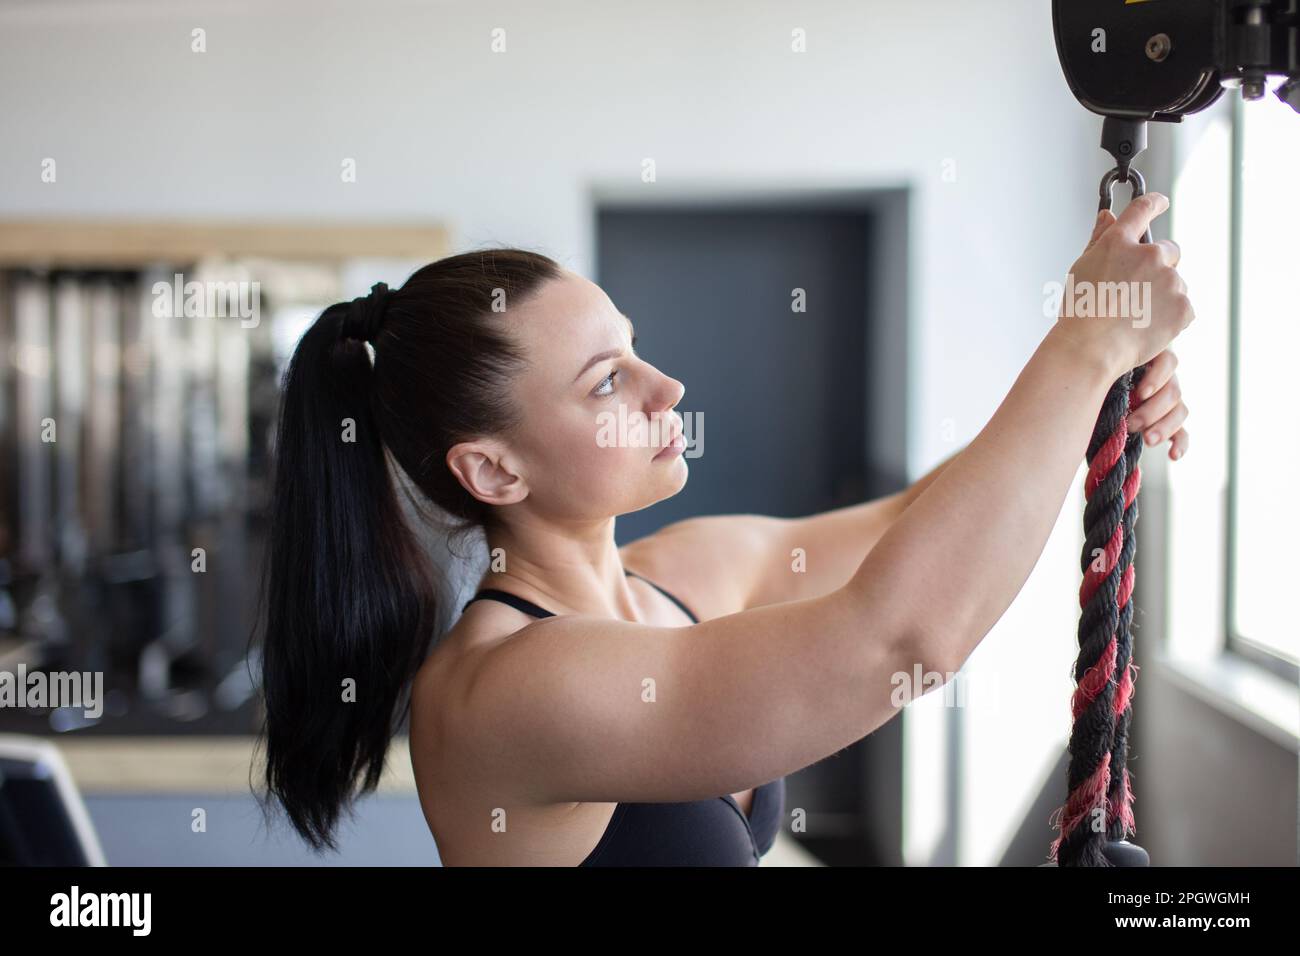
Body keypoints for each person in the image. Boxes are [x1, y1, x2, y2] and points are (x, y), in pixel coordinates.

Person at [254, 195, 1193, 865]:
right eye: (606, 381)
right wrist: (1085, 346)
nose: (667, 388)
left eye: (631, 349)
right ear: (494, 469)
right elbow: (902, 639)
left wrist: (1095, 405)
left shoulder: (685, 572)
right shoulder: (506, 689)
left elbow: (917, 521)